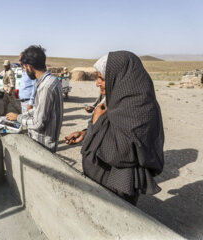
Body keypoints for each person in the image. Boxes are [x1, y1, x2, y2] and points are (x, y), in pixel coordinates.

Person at [65, 51, 164, 205]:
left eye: (101, 78)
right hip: (100, 182)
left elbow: (118, 153)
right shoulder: (118, 99)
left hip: (115, 188)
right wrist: (85, 133)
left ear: (118, 77)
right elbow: (111, 129)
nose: (97, 83)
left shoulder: (139, 109)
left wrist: (96, 121)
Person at [6, 45, 63, 153]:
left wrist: (18, 118)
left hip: (43, 146)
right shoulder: (51, 80)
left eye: (25, 67)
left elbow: (38, 123)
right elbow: (39, 109)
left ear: (29, 67)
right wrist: (22, 115)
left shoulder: (46, 86)